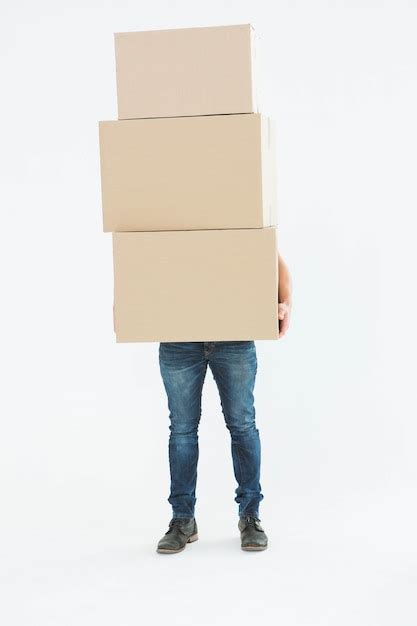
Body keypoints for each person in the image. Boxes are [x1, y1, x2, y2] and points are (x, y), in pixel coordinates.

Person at [155, 254, 293, 553]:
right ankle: (182, 519)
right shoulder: (167, 217)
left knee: (242, 425)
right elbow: (138, 258)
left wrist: (286, 302)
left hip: (234, 336)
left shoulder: (231, 213)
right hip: (178, 338)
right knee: (182, 430)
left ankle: (250, 516)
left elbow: (268, 254)